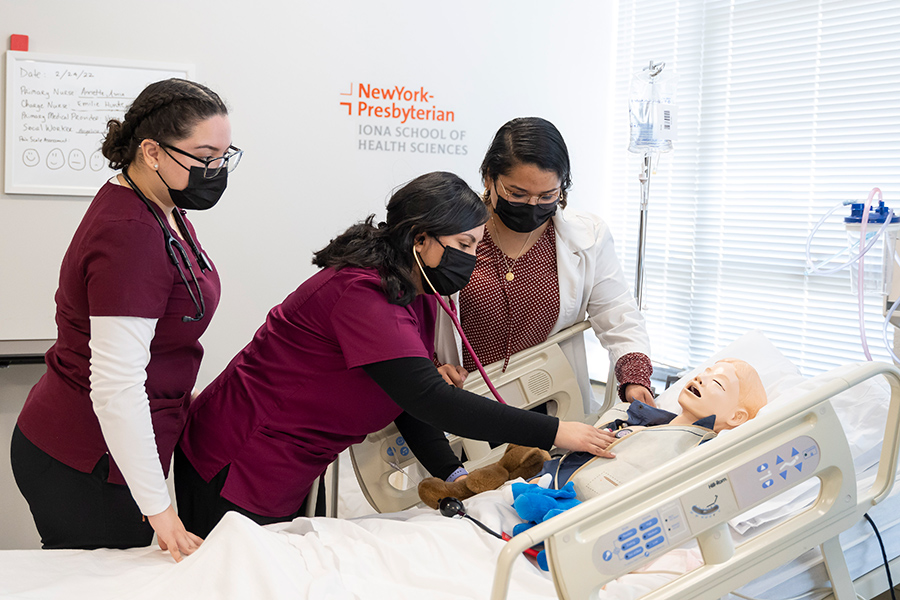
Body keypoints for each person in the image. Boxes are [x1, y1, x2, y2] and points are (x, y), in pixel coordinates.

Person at [175, 171, 614, 537]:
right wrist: (557, 432)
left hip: (290, 460)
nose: (472, 258)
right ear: (420, 239)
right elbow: (430, 399)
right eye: (463, 244)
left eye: (477, 246)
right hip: (241, 453)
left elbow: (408, 399)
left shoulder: (415, 287)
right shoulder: (361, 292)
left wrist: (455, 476)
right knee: (231, 578)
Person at [10, 78, 241, 561]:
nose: (216, 170)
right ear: (152, 151)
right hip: (86, 458)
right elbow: (116, 386)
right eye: (204, 157)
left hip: (116, 445)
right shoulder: (130, 235)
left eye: (224, 156)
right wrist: (160, 509)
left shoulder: (155, 203)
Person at [434, 117, 653, 412]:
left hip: (549, 402)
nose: (532, 205)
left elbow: (617, 314)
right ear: (489, 178)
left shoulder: (588, 235)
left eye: (548, 196)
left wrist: (635, 378)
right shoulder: (451, 232)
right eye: (518, 194)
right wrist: (430, 366)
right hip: (466, 404)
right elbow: (412, 315)